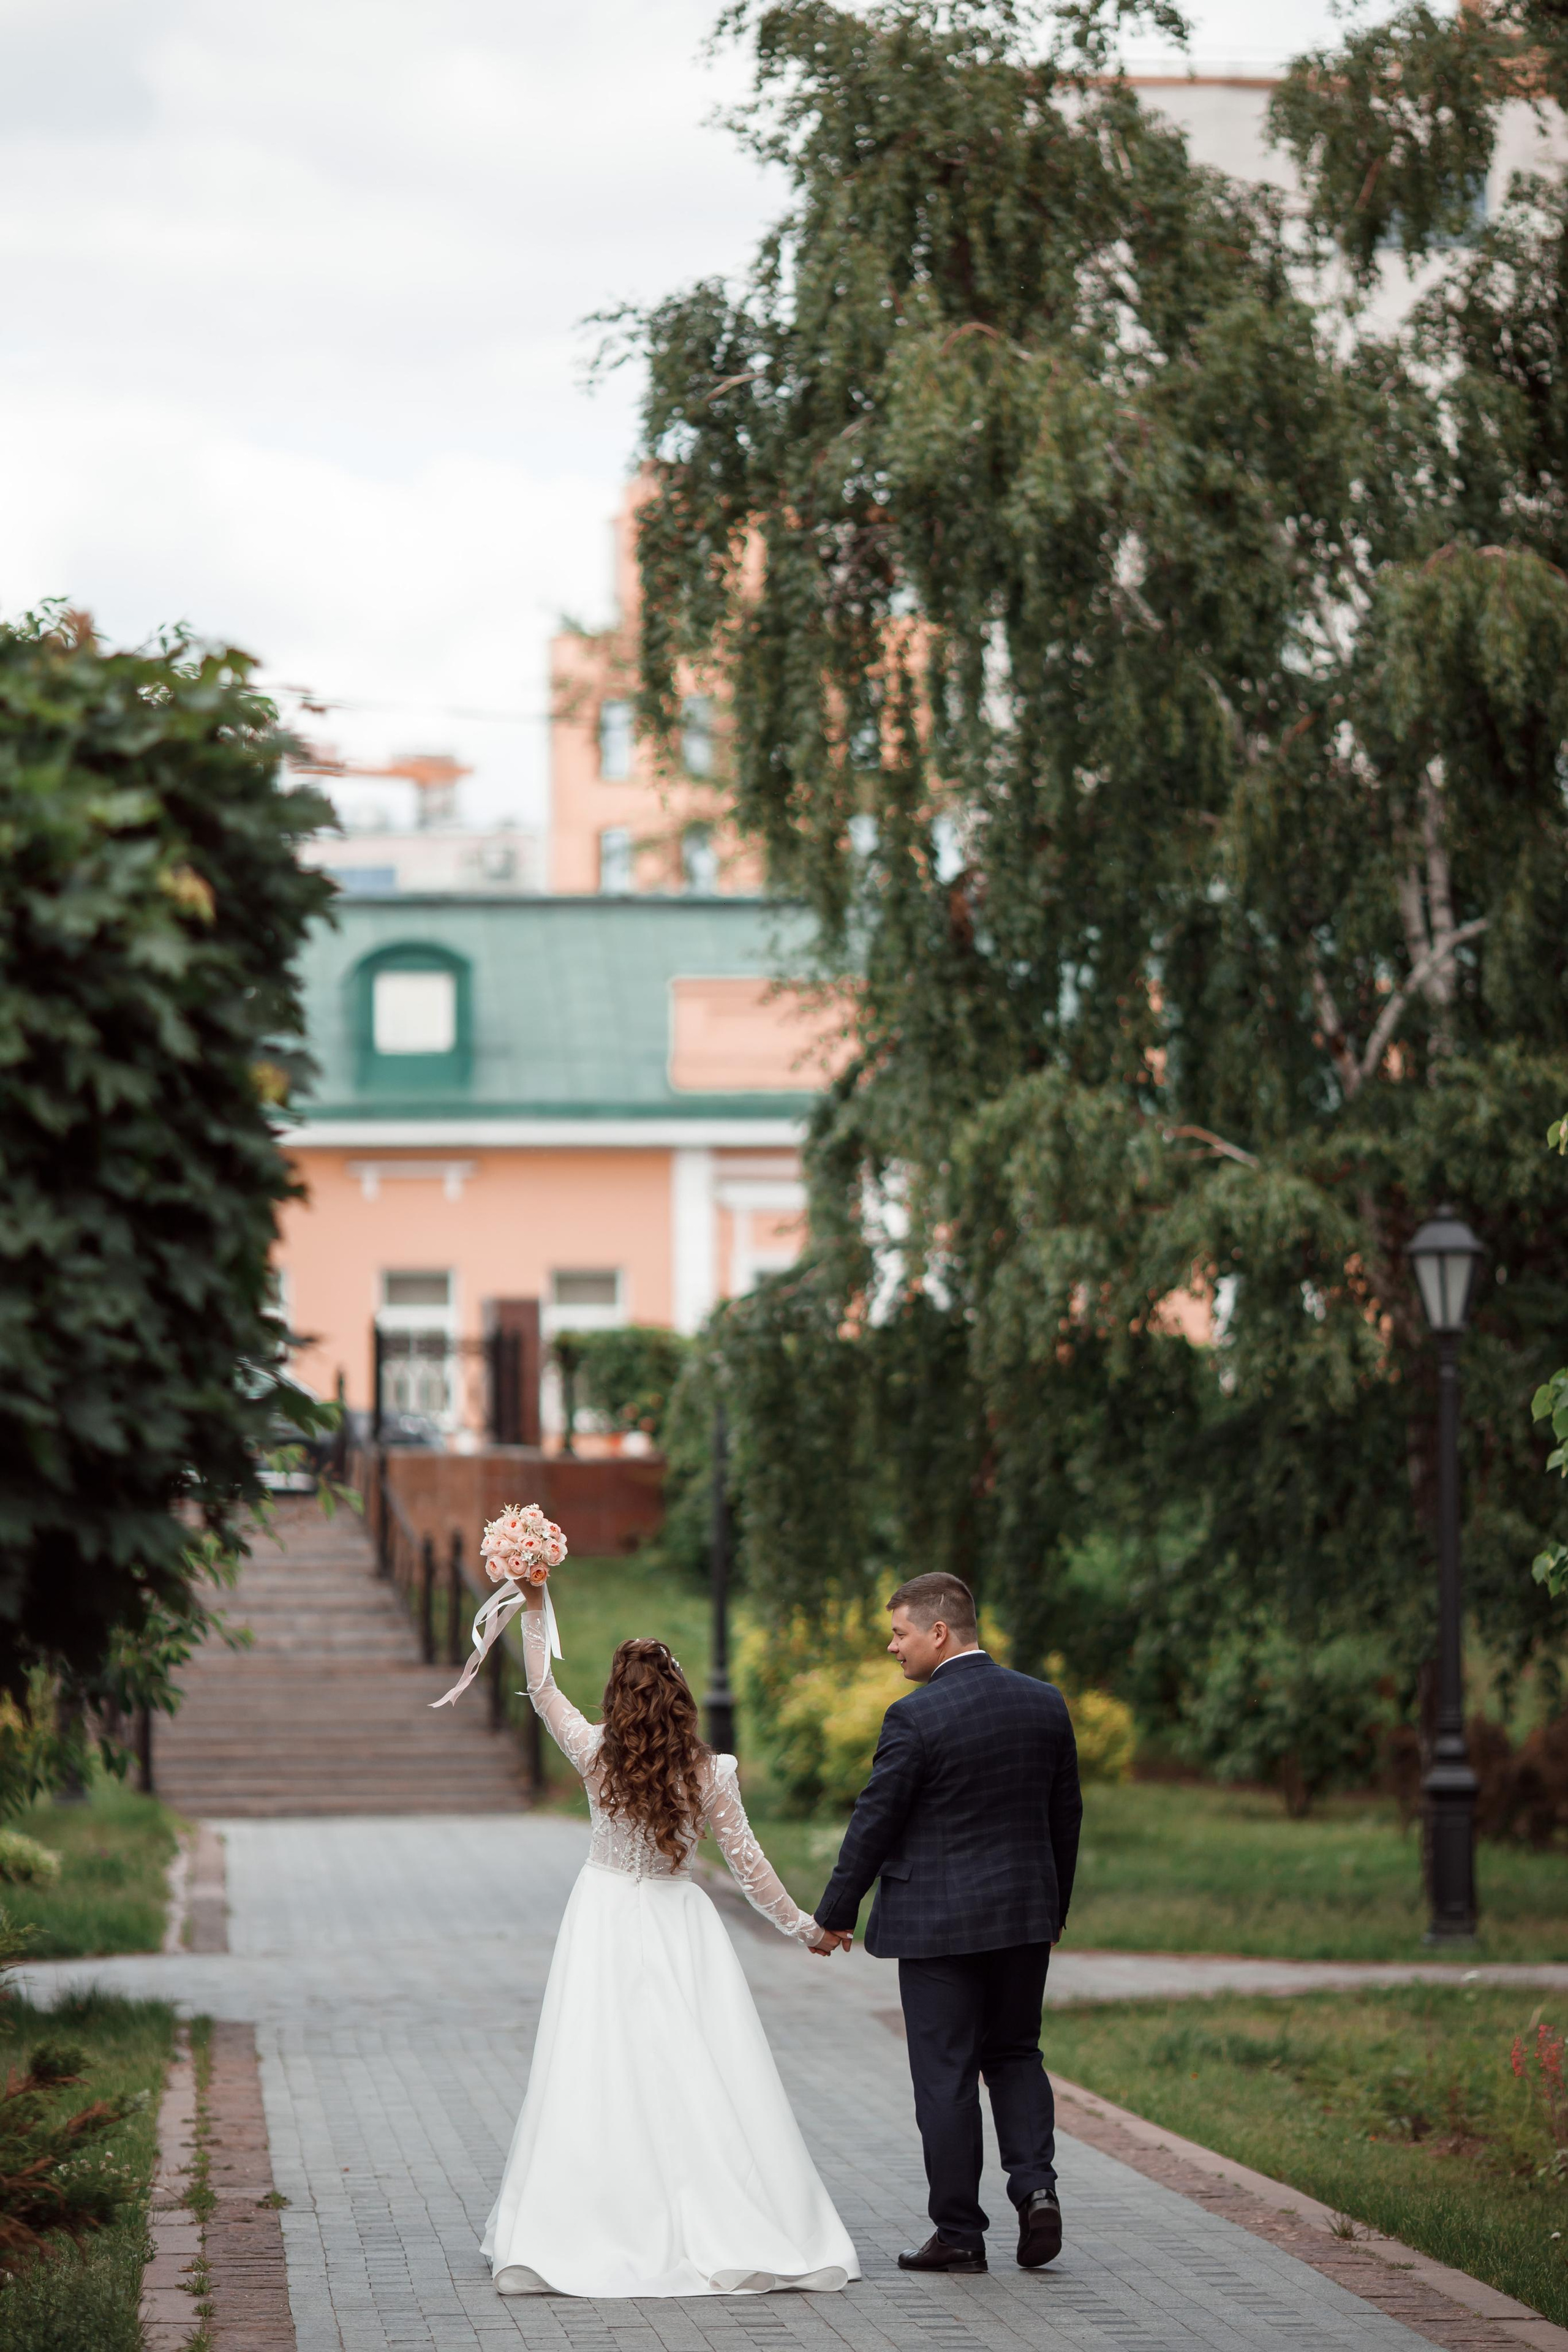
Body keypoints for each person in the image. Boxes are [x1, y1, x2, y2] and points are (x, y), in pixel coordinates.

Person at [481, 1582, 860, 2299]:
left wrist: (534, 1603)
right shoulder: (710, 1773)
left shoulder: (594, 1752)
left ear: (616, 1699)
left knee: (595, 2064)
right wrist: (807, 1929)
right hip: (679, 1920)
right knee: (695, 2064)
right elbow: (750, 1867)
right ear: (681, 1698)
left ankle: (585, 2220)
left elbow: (541, 1688)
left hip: (601, 1916)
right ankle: (721, 2212)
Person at [809, 1572, 1082, 2276]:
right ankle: (1037, 2190)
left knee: (946, 2074)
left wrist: (834, 1914)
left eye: (899, 1633)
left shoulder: (915, 1717)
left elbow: (875, 1820)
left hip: (937, 1928)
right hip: (1023, 1917)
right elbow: (1065, 1816)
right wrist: (1053, 1909)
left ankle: (959, 2234)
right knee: (1016, 2054)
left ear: (939, 1631)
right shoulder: (1044, 1703)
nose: (891, 1646)